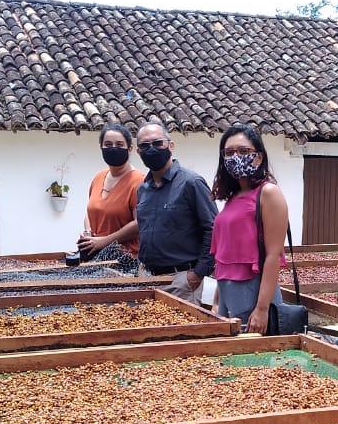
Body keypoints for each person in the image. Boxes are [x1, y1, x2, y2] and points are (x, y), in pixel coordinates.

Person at [208, 124, 289, 333]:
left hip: (252, 292)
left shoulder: (268, 193)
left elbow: (273, 255)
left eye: (243, 151)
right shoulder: (233, 197)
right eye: (229, 153)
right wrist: (217, 301)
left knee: (257, 358)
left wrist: (262, 309)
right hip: (228, 293)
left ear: (259, 157)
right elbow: (224, 257)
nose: (236, 157)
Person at [134, 122, 216, 301]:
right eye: (145, 146)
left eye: (157, 143)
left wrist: (198, 273)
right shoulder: (143, 189)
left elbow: (213, 229)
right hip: (147, 279)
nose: (152, 149)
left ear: (171, 145)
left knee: (181, 330)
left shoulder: (191, 183)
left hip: (181, 281)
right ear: (138, 152)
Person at [75, 124, 141, 273]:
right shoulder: (98, 177)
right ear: (101, 147)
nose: (113, 148)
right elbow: (91, 210)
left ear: (129, 149)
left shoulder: (138, 181)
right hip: (96, 259)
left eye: (119, 144)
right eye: (108, 144)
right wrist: (88, 234)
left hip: (125, 263)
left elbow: (140, 223)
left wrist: (105, 241)